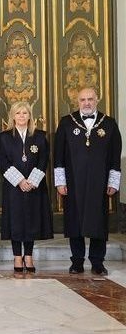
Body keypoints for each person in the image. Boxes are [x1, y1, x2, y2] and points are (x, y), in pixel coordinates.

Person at [55, 87, 121, 275]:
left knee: (98, 221)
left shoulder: (109, 123)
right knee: (74, 221)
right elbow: (58, 154)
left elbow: (115, 155)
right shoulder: (66, 122)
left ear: (97, 100)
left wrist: (113, 181)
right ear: (77, 101)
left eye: (90, 99)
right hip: (73, 182)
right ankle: (77, 261)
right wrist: (60, 181)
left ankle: (97, 262)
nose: (86, 103)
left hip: (100, 182)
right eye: (83, 99)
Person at [0, 101, 53, 273]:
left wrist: (32, 181)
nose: (21, 116)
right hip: (14, 186)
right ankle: (17, 256)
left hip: (34, 186)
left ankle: (28, 255)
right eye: (18, 113)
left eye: (25, 113)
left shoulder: (40, 136)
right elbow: (2, 161)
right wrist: (20, 181)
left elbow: (43, 160)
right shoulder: (4, 137)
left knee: (31, 220)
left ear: (30, 116)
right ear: (13, 116)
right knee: (16, 220)